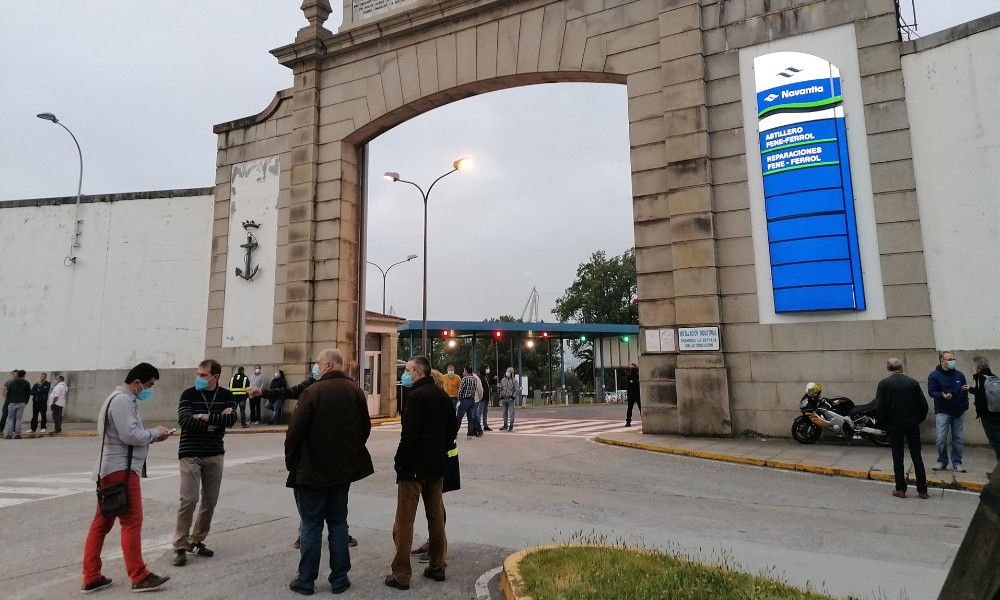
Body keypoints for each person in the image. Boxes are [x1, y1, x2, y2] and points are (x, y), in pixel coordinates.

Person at [285, 349, 373, 595]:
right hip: (342, 471)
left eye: (319, 364)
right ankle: (340, 578)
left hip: (313, 470)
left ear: (330, 365)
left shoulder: (312, 392)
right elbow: (364, 428)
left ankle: (306, 580)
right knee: (338, 523)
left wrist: (293, 461)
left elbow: (294, 433)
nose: (316, 368)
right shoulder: (355, 391)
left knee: (312, 524)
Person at [81, 362, 171, 593]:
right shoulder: (122, 401)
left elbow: (128, 435)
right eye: (149, 385)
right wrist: (155, 432)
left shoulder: (116, 398)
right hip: (121, 469)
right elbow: (130, 435)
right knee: (131, 522)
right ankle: (139, 576)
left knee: (101, 522)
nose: (149, 390)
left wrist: (151, 437)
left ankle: (91, 576)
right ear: (137, 382)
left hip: (111, 468)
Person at [386, 355, 459, 590]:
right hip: (437, 467)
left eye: (407, 370)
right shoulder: (442, 396)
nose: (404, 374)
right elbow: (452, 430)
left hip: (413, 469)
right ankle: (438, 566)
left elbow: (408, 436)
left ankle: (401, 575)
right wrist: (441, 449)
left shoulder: (415, 397)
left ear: (418, 372)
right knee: (436, 517)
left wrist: (400, 462)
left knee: (404, 522)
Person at [172, 359, 238, 567]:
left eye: (203, 375)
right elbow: (185, 420)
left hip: (214, 453)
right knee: (189, 499)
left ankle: (197, 540)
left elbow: (231, 420)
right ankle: (180, 545)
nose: (198, 378)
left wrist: (202, 416)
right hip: (190, 453)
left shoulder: (226, 395)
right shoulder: (188, 394)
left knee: (210, 500)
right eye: (198, 374)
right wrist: (214, 420)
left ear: (215, 377)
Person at [873, 358, 929, 499]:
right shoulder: (912, 383)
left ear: (888, 369)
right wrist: (917, 419)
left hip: (894, 424)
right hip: (912, 423)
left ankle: (900, 489)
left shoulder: (884, 384)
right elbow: (923, 405)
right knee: (917, 457)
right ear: (901, 368)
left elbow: (880, 407)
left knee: (898, 457)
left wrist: (885, 424)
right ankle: (922, 490)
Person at [927, 351, 970, 472]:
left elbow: (964, 390)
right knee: (941, 438)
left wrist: (965, 405)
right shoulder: (934, 376)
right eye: (950, 359)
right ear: (942, 361)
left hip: (958, 410)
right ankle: (942, 461)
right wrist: (942, 395)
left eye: (953, 359)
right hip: (943, 410)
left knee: (958, 438)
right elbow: (932, 392)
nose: (952, 361)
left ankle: (957, 462)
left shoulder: (959, 375)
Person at [969, 356, 1000, 472]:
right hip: (998, 414)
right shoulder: (994, 377)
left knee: (996, 443)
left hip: (988, 417)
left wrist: (972, 391)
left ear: (978, 368)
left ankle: (998, 473)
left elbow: (981, 397)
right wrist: (972, 389)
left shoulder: (980, 378)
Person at [3, 370, 31, 439]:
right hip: (21, 403)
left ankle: (9, 434)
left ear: (18, 375)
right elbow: (28, 394)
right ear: (24, 375)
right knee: (18, 418)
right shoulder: (27, 383)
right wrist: (25, 402)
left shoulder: (12, 382)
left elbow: (8, 392)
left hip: (12, 402)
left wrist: (9, 401)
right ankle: (17, 434)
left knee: (11, 418)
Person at [456, 366, 480, 439]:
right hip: (472, 400)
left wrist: (459, 398)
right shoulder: (475, 379)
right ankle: (469, 434)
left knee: (459, 417)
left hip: (464, 400)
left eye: (464, 370)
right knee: (470, 418)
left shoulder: (464, 379)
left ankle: (454, 433)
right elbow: (475, 388)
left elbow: (460, 390)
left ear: (466, 371)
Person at [498, 367, 519, 432]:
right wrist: (500, 395)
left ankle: (511, 426)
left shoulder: (514, 381)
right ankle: (505, 425)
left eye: (509, 372)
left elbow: (517, 389)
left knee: (512, 412)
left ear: (512, 373)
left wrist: (513, 396)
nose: (507, 373)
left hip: (510, 399)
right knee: (504, 413)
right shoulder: (503, 380)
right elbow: (500, 388)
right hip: (504, 399)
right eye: (507, 371)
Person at [625, 363, 641, 427]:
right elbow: (630, 384)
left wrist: (632, 382)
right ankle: (628, 422)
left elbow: (632, 383)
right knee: (630, 409)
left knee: (639, 408)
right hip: (634, 394)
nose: (632, 370)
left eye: (633, 368)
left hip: (636, 394)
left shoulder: (636, 375)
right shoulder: (631, 375)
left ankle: (628, 422)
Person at [479, 366, 493, 432]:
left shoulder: (486, 376)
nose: (488, 369)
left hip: (487, 397)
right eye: (487, 368)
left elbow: (488, 385)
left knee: (485, 412)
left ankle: (485, 425)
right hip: (482, 397)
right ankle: (478, 426)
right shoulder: (480, 377)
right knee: (480, 412)